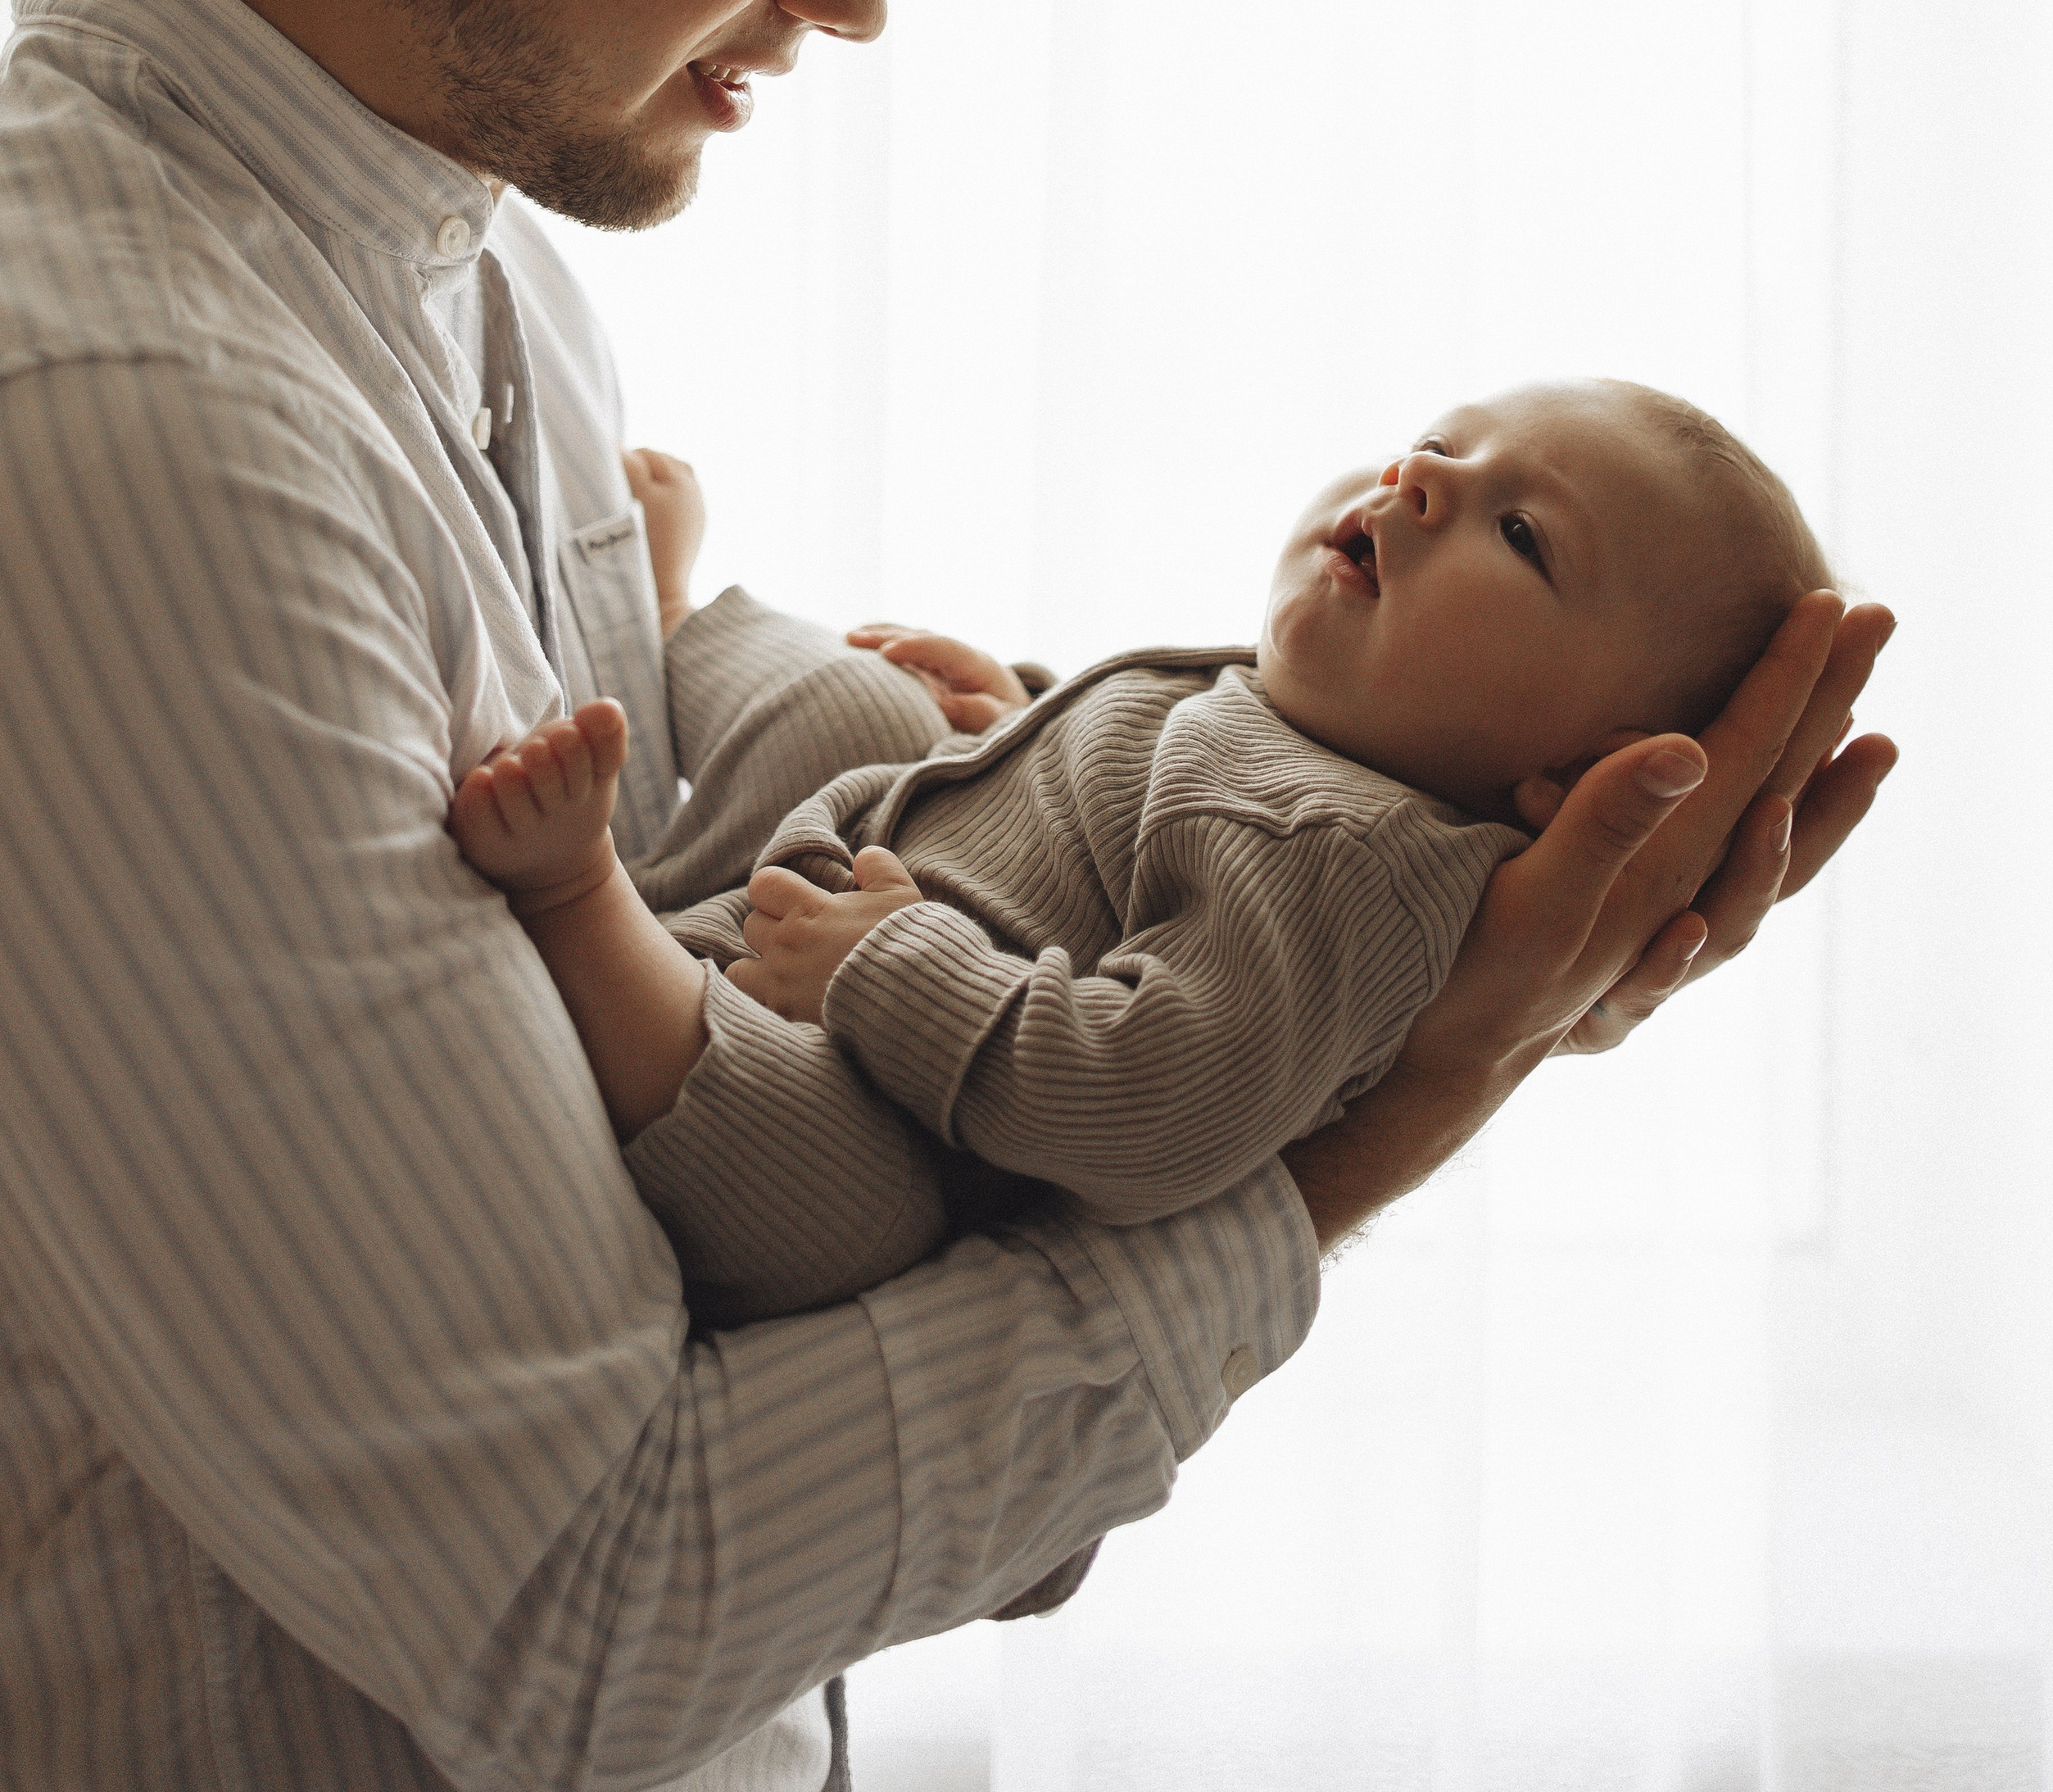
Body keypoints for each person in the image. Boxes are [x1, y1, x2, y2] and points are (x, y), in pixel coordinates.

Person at [0, 0, 1897, 1792]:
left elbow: (715, 1223)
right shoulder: (118, 431)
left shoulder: (467, 253)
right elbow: (583, 1612)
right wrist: (1382, 1118)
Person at [446, 379, 1838, 1324]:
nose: (1421, 482)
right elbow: (1131, 812)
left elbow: (1154, 1107)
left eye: (1520, 533)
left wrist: (896, 965)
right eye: (1444, 445)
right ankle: (676, 613)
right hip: (828, 902)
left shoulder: (1353, 864)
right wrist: (1025, 720)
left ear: (1570, 781)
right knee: (864, 700)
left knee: (827, 1199)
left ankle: (577, 902)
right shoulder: (1307, 736)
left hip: (860, 1101)